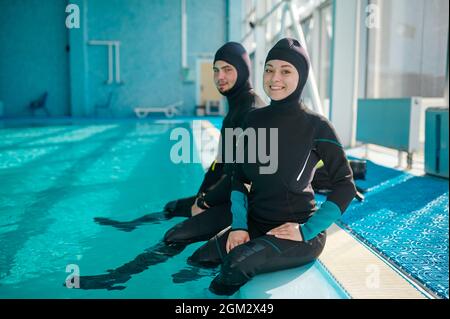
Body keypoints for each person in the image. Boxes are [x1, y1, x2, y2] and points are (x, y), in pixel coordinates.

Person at [188, 38, 357, 296]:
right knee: (199, 259)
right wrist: (240, 226)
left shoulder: (316, 126)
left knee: (235, 265)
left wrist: (306, 230)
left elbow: (345, 185)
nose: (274, 77)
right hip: (256, 222)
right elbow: (240, 178)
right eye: (269, 69)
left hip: (299, 232)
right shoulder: (253, 120)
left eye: (285, 70)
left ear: (301, 76)